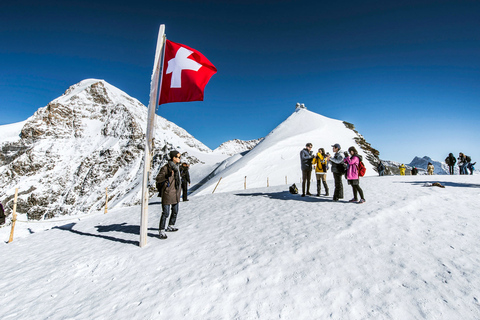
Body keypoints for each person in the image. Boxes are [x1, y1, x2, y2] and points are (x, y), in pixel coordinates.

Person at [156, 150, 182, 240]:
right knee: (166, 213)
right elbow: (158, 178)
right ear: (173, 158)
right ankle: (161, 230)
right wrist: (166, 175)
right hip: (167, 193)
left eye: (180, 157)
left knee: (175, 211)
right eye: (178, 157)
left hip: (176, 193)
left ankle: (171, 225)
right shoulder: (166, 168)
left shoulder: (177, 167)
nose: (179, 158)